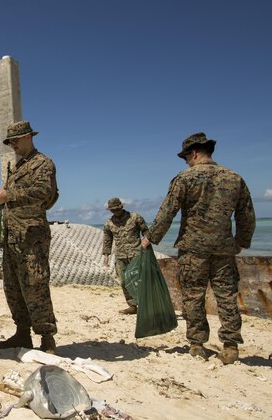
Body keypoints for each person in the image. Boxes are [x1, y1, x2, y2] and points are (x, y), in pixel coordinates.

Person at [141, 132, 255, 365]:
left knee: (193, 296)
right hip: (224, 248)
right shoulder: (235, 178)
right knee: (227, 296)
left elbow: (167, 212)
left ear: (193, 153)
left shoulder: (185, 179)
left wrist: (150, 238)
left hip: (193, 249)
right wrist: (241, 241)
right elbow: (246, 214)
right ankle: (231, 346)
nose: (186, 162)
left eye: (186, 158)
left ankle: (197, 344)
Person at [0, 120, 59, 354]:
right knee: (13, 287)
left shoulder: (43, 163)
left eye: (15, 141)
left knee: (35, 285)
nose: (12, 145)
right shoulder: (18, 166)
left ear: (29, 137)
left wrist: (9, 195)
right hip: (12, 236)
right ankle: (22, 333)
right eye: (9, 142)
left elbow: (44, 192)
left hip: (32, 236)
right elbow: (10, 200)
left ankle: (47, 338)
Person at [102, 197, 150, 315]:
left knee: (139, 280)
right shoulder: (109, 223)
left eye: (117, 209)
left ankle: (146, 305)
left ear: (121, 207)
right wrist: (106, 255)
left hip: (136, 254)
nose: (115, 212)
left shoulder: (135, 217)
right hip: (120, 256)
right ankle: (132, 305)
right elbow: (107, 239)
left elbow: (146, 231)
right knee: (124, 282)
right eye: (112, 210)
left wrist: (146, 241)